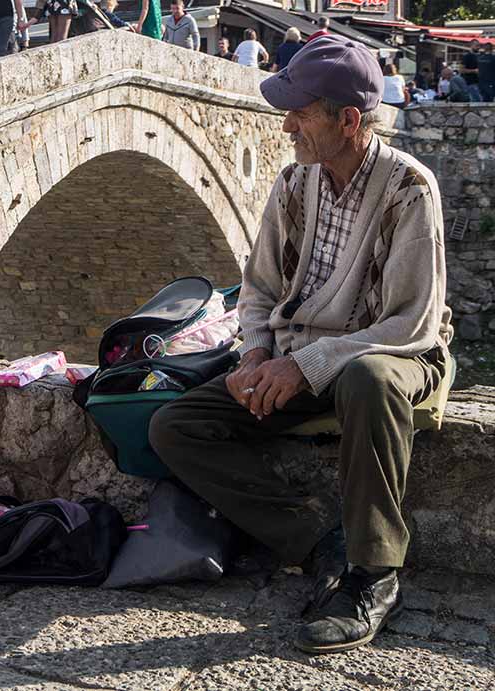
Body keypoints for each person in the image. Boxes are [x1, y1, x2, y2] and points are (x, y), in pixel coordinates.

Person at [150, 35, 451, 656]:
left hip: (396, 354)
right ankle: (319, 540)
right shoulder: (294, 183)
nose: (286, 124)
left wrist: (305, 362)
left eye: (300, 111)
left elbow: (410, 322)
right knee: (176, 426)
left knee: (369, 378)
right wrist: (257, 355)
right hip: (297, 356)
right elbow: (258, 289)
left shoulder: (408, 189)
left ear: (348, 120)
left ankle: (374, 575)